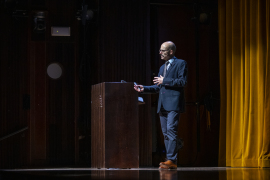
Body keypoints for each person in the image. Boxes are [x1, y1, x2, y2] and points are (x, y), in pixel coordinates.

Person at [134, 41, 188, 169]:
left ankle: (172, 160)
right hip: (162, 104)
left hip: (174, 104)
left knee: (171, 131)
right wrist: (144, 88)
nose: (160, 53)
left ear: (171, 52)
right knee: (165, 132)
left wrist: (165, 80)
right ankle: (169, 160)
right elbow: (158, 87)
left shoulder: (181, 63)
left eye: (162, 50)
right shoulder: (161, 68)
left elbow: (182, 81)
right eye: (160, 50)